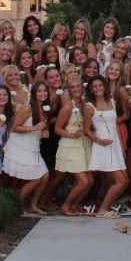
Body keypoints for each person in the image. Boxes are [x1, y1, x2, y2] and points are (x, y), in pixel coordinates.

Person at [3, 82, 51, 214]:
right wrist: (33, 128)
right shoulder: (28, 108)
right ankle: (16, 204)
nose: (42, 93)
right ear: (34, 93)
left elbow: (40, 128)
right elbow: (15, 127)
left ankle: (34, 205)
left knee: (45, 176)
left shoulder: (44, 109)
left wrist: (44, 132)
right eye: (39, 91)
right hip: (22, 146)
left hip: (34, 147)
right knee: (36, 178)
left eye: (44, 91)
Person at [84, 76, 129, 217]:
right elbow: (86, 130)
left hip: (114, 146)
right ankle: (103, 209)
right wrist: (98, 140)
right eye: (94, 86)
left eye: (100, 85)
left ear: (104, 86)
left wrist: (121, 147)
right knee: (121, 181)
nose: (98, 88)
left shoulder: (113, 102)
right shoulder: (89, 106)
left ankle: (108, 207)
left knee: (126, 180)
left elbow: (115, 124)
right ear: (91, 89)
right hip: (102, 147)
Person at [49, 75, 93, 215]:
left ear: (82, 87)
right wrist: (71, 134)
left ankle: (75, 204)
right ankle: (66, 206)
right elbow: (57, 128)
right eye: (72, 87)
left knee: (90, 180)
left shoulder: (86, 104)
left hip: (84, 144)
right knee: (84, 181)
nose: (76, 89)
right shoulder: (68, 106)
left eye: (78, 86)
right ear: (68, 90)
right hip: (70, 146)